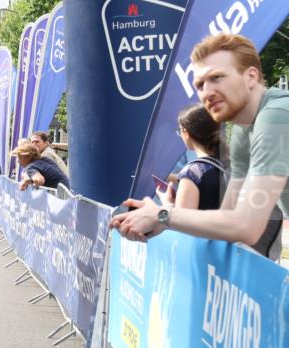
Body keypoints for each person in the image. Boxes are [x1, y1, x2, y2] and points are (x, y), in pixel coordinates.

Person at [112, 33, 288, 260]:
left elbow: (246, 226)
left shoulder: (276, 115)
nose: (206, 92)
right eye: (200, 84)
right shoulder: (244, 129)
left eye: (216, 78)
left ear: (251, 76)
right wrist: (162, 219)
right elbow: (227, 216)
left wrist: (163, 214)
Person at [158, 104, 224, 211]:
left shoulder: (192, 172)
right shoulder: (230, 163)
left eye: (179, 131)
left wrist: (168, 205)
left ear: (186, 132)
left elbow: (181, 221)